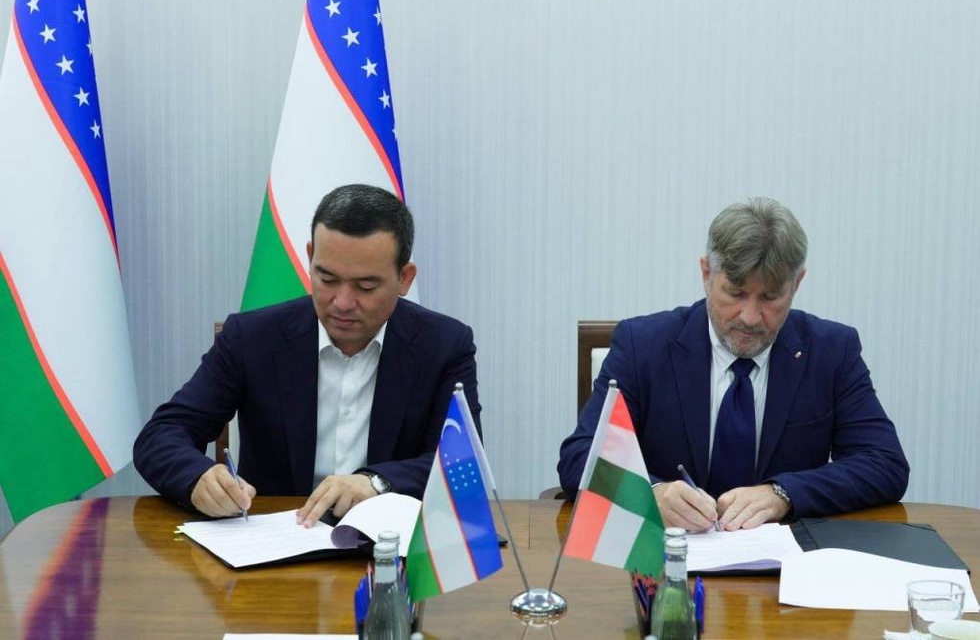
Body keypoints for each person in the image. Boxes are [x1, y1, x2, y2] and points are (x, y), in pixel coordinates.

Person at [134, 184, 480, 526]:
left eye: (365, 286)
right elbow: (161, 435)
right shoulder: (252, 338)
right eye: (327, 279)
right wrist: (198, 478)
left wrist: (376, 483)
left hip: (389, 543)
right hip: (275, 541)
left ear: (404, 278)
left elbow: (459, 464)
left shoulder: (445, 345)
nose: (342, 302)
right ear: (311, 257)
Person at [557, 197, 909, 532]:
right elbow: (580, 458)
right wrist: (650, 493)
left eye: (770, 297)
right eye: (736, 293)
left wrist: (783, 493)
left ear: (797, 283)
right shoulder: (642, 346)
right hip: (666, 557)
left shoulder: (831, 351)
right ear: (706, 274)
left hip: (784, 562)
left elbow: (884, 463)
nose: (750, 317)